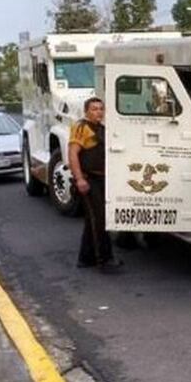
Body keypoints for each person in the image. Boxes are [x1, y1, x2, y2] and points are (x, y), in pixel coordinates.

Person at [68, 97, 121, 272]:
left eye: (100, 109)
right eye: (94, 109)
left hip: (102, 178)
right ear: (86, 111)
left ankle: (85, 258)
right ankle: (104, 260)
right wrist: (79, 179)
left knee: (93, 219)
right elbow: (73, 154)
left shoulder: (102, 129)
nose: (98, 112)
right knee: (99, 219)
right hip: (88, 179)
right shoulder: (81, 127)